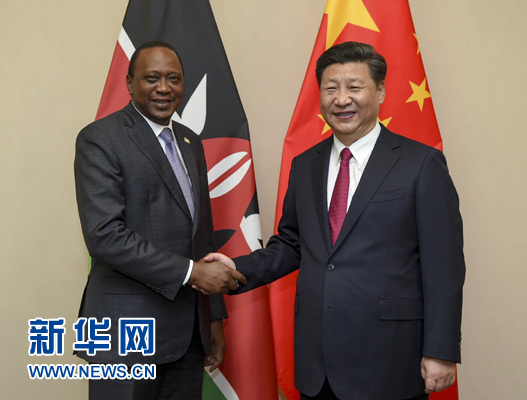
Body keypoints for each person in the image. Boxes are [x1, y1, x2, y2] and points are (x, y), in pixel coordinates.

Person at [205, 41, 465, 400]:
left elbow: (444, 266)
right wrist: (235, 267)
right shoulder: (305, 165)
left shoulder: (421, 164)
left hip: (390, 359)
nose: (342, 99)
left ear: (380, 91)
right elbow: (292, 244)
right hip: (318, 365)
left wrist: (441, 350)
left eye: (354, 87)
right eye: (331, 88)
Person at [74, 40, 246, 400]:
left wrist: (214, 316)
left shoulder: (190, 142)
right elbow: (105, 236)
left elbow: (203, 237)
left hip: (188, 335)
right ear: (129, 82)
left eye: (174, 78)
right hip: (126, 334)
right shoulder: (100, 139)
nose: (164, 88)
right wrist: (191, 273)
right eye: (151, 78)